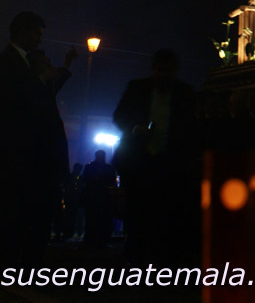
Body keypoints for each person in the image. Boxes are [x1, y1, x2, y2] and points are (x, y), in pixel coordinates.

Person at [0, 11, 75, 267]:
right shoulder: (6, 62)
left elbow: (41, 92)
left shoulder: (22, 62)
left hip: (27, 151)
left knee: (23, 211)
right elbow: (10, 99)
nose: (39, 39)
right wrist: (42, 79)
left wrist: (63, 68)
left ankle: (14, 262)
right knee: (10, 210)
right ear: (23, 32)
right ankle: (2, 263)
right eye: (37, 33)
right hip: (14, 149)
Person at [113, 49, 200, 265]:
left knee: (163, 215)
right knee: (137, 214)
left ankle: (157, 259)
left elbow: (192, 129)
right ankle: (138, 259)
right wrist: (134, 128)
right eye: (161, 71)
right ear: (154, 70)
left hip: (168, 164)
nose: (163, 76)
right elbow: (119, 116)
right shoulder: (138, 89)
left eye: (167, 71)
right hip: (140, 162)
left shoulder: (185, 94)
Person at [81, 150, 117, 248]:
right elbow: (112, 180)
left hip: (93, 197)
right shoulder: (108, 168)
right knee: (102, 219)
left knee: (92, 219)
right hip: (103, 197)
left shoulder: (90, 167)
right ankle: (102, 239)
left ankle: (91, 239)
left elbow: (84, 180)